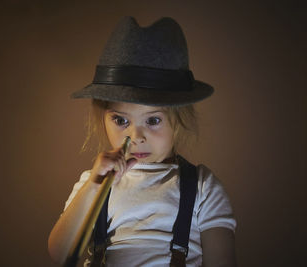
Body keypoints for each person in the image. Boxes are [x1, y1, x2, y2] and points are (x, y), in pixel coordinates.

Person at [48, 16, 236, 267]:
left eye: (153, 121)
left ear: (179, 118)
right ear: (103, 118)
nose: (135, 137)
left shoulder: (203, 187)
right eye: (121, 121)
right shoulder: (92, 182)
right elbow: (60, 255)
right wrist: (94, 185)